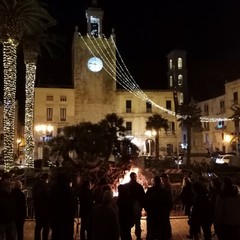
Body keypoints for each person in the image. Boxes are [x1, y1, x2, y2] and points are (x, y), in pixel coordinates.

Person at [50, 171, 77, 240]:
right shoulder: (69, 190)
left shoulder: (54, 190)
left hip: (56, 218)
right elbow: (72, 205)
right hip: (67, 219)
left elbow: (51, 204)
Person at [145, 176, 173, 240]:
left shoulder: (150, 191)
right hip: (162, 215)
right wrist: (167, 211)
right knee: (163, 232)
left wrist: (148, 211)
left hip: (152, 215)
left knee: (152, 232)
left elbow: (146, 202)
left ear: (154, 182)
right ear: (160, 182)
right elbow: (170, 203)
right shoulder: (165, 191)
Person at [124, 172, 145, 240]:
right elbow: (143, 197)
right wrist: (142, 206)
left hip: (128, 208)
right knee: (137, 223)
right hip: (137, 207)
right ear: (135, 177)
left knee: (128, 223)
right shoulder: (139, 186)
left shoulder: (126, 186)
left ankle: (128, 237)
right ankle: (138, 237)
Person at [32, 173, 51, 240]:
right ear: (46, 179)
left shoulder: (35, 186)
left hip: (38, 209)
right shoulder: (45, 187)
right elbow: (49, 198)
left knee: (38, 226)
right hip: (45, 210)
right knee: (46, 227)